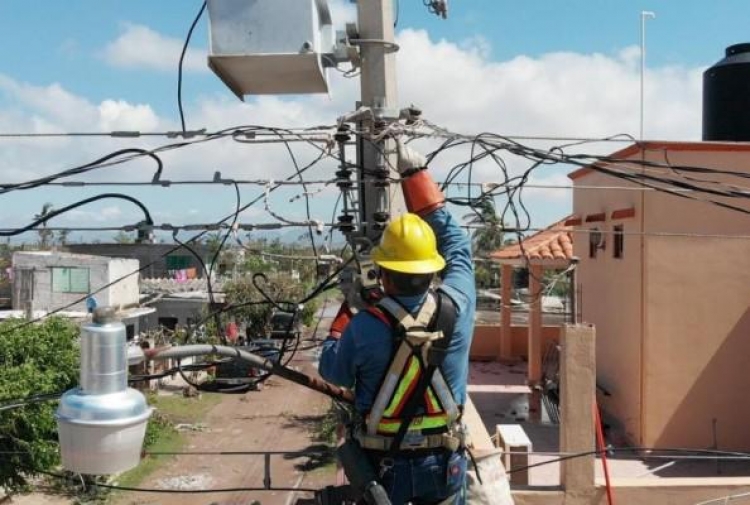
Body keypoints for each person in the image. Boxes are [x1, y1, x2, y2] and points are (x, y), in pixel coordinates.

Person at [319, 142, 476, 505]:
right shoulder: (459, 306)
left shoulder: (364, 326)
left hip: (385, 469)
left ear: (384, 274)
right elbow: (458, 246)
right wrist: (416, 177)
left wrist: (340, 324)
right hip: (445, 465)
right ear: (433, 269)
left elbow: (335, 372)